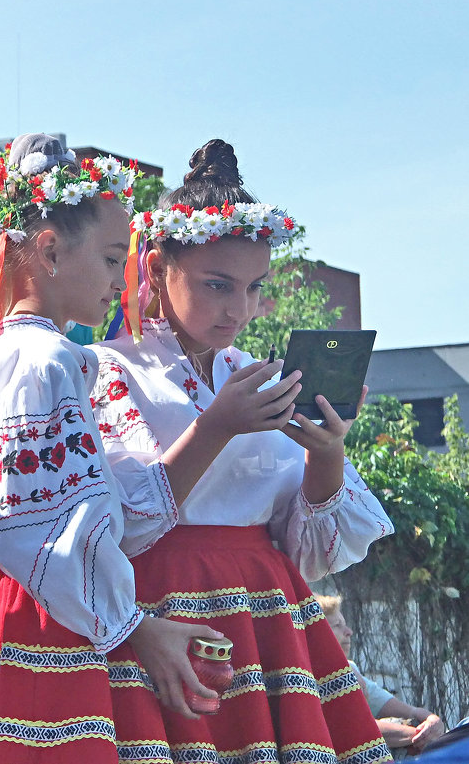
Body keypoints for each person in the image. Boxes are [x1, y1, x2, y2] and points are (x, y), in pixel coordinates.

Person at [0, 134, 227, 763]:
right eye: (112, 259)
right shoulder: (46, 361)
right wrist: (133, 625)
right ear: (49, 250)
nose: (120, 280)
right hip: (48, 631)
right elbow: (47, 530)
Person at [90, 139, 395, 761]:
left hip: (266, 616)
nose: (239, 309)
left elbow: (308, 550)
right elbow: (107, 525)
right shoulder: (104, 370)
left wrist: (326, 452)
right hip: (161, 607)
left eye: (254, 287)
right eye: (218, 284)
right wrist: (216, 427)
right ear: (155, 272)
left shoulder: (257, 375)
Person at [317, 593, 446, 757]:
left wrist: (432, 721)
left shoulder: (350, 669)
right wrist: (422, 736)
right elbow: (354, 727)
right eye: (337, 625)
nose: (348, 632)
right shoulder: (307, 680)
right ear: (317, 634)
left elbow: (411, 712)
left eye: (345, 625)